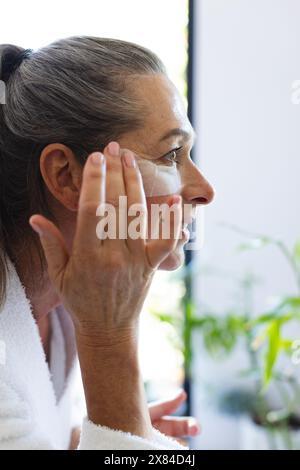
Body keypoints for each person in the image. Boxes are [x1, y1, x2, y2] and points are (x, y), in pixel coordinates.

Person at [0, 36, 214, 449]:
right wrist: (110, 342)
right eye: (171, 154)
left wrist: (91, 437)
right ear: (66, 176)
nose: (205, 190)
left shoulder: (56, 317)